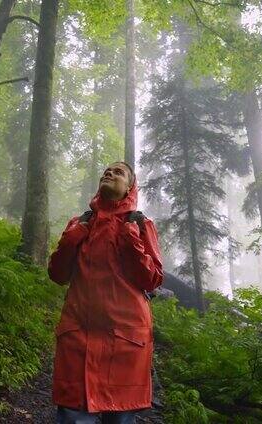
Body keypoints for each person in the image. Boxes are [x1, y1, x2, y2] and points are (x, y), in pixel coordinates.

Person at [48, 161, 164, 424]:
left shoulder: (141, 224)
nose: (108, 173)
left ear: (130, 188)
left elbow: (153, 279)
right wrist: (75, 235)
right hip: (79, 334)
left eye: (118, 172)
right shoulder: (80, 222)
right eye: (106, 171)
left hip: (126, 339)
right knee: (74, 415)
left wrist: (130, 238)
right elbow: (57, 274)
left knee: (120, 416)